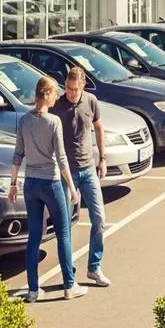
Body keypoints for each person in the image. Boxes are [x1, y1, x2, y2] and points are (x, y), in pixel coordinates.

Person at [8, 75, 86, 302]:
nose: (58, 96)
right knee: (63, 233)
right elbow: (61, 159)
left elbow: (17, 155)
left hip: (30, 184)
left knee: (34, 237)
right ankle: (69, 286)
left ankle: (33, 290)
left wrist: (13, 185)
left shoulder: (24, 120)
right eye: (55, 93)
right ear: (47, 94)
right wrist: (72, 188)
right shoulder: (53, 122)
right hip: (51, 183)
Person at [51, 66, 111, 287]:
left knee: (99, 219)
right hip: (67, 174)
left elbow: (98, 128)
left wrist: (102, 159)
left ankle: (94, 268)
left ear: (83, 86)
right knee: (65, 225)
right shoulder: (57, 106)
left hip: (88, 170)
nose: (71, 93)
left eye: (75, 89)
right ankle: (70, 275)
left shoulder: (91, 101)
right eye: (68, 88)